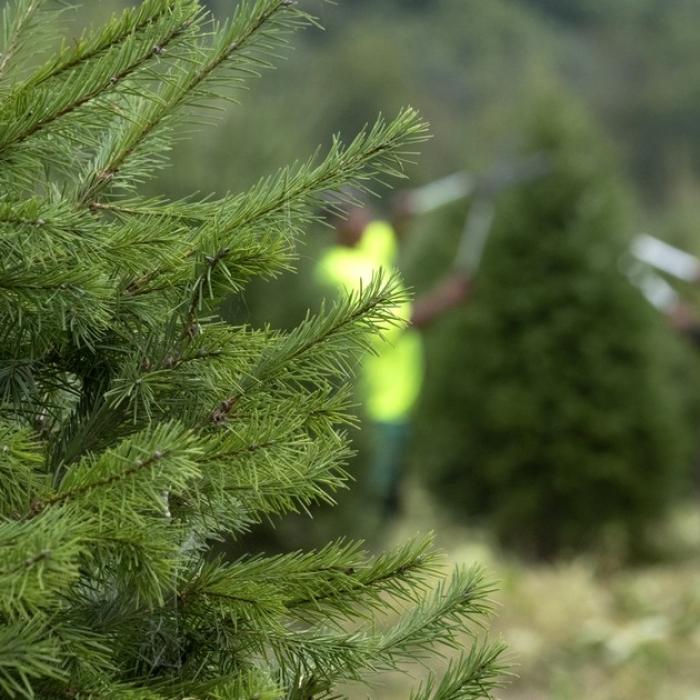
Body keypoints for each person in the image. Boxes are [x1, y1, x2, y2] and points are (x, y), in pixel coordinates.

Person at [315, 199, 469, 515]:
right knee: (376, 493)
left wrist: (401, 220)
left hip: (399, 398)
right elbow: (402, 323)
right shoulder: (338, 273)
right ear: (337, 225)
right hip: (375, 402)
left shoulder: (366, 249)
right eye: (356, 214)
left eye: (365, 209)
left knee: (394, 485)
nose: (367, 218)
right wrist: (447, 297)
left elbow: (386, 237)